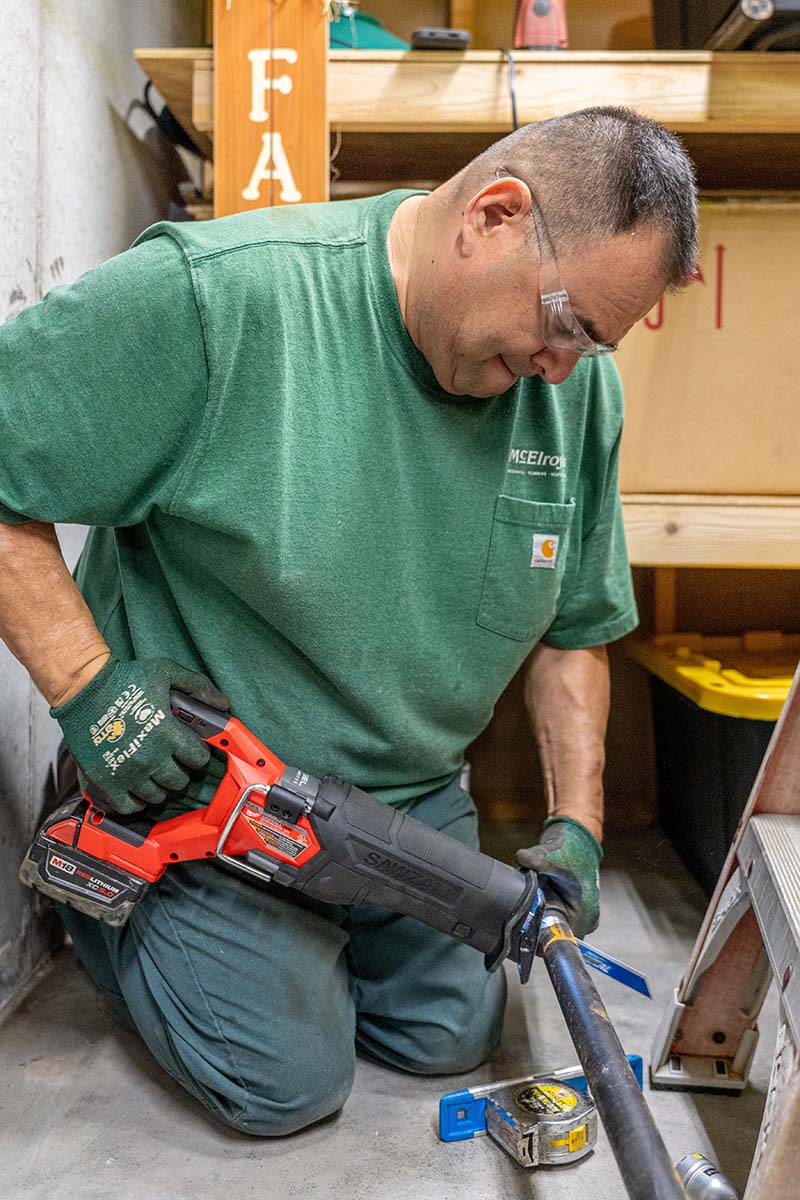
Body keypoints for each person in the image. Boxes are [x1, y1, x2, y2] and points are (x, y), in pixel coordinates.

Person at [0, 105, 697, 1136]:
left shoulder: (570, 393)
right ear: (493, 218)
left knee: (453, 1034)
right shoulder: (218, 300)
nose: (563, 367)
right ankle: (104, 870)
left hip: (404, 795)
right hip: (212, 796)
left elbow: (574, 627)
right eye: (563, 325)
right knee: (284, 1082)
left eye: (591, 343)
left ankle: (309, 935)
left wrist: (579, 828)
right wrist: (92, 697)